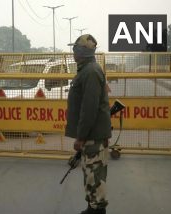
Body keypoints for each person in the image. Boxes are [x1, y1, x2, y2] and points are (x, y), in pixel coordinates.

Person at [65, 34, 111, 214]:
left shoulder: (90, 72)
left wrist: (81, 137)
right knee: (91, 174)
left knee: (95, 175)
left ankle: (97, 209)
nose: (73, 52)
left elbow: (89, 109)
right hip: (91, 135)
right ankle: (92, 207)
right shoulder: (87, 69)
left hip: (92, 136)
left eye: (75, 49)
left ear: (82, 52)